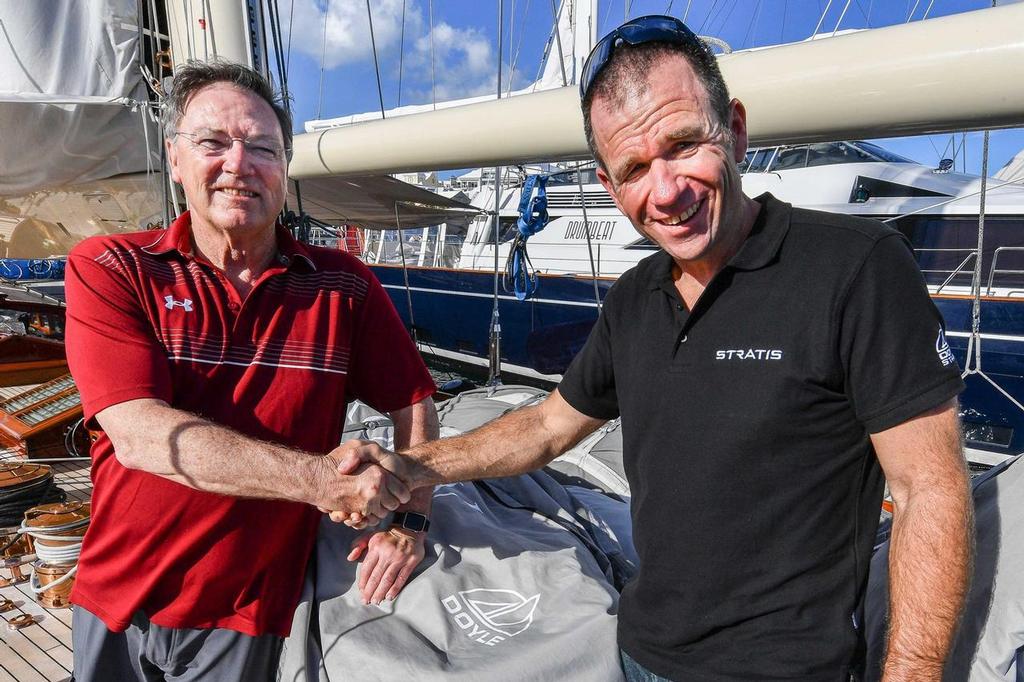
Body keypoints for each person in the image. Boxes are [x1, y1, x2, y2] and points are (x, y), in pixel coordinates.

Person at [336, 15, 973, 682]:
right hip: (640, 654)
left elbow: (928, 487)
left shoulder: (855, 267)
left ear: (736, 131)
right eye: (635, 168)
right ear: (611, 188)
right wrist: (410, 468)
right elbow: (549, 426)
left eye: (684, 145)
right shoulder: (636, 295)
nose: (666, 191)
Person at [64, 61, 439, 681]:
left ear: (284, 169)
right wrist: (321, 481)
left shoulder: (344, 287)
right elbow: (138, 433)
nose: (240, 163)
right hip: (115, 590)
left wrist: (412, 520)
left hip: (246, 611)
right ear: (175, 159)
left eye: (262, 147)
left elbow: (413, 405)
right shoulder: (113, 266)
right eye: (213, 142)